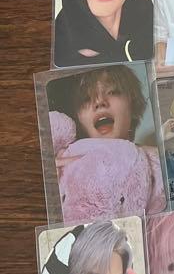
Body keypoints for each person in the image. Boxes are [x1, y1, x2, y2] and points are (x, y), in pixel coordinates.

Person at [49, 65, 166, 216]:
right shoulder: (62, 165)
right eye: (86, 99)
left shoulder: (158, 163)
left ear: (132, 104)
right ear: (76, 118)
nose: (100, 102)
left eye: (112, 92)